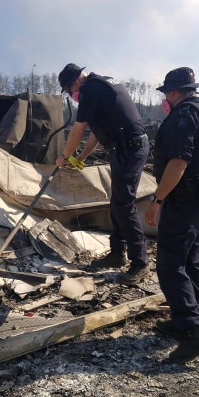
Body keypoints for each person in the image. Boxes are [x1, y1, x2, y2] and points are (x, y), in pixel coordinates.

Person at [145, 67, 199, 364]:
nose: (165, 99)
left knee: (170, 263)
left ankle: (194, 333)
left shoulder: (183, 116)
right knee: (193, 258)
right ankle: (186, 315)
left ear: (174, 92)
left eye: (166, 94)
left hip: (184, 198)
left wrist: (157, 199)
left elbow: (178, 161)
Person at [56, 63, 150, 285]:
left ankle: (141, 262)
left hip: (130, 148)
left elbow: (78, 130)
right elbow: (97, 134)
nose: (72, 96)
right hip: (124, 148)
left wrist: (65, 156)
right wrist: (80, 158)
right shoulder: (101, 85)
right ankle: (117, 254)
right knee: (117, 201)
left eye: (69, 92)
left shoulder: (91, 90)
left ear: (74, 83)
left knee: (124, 204)